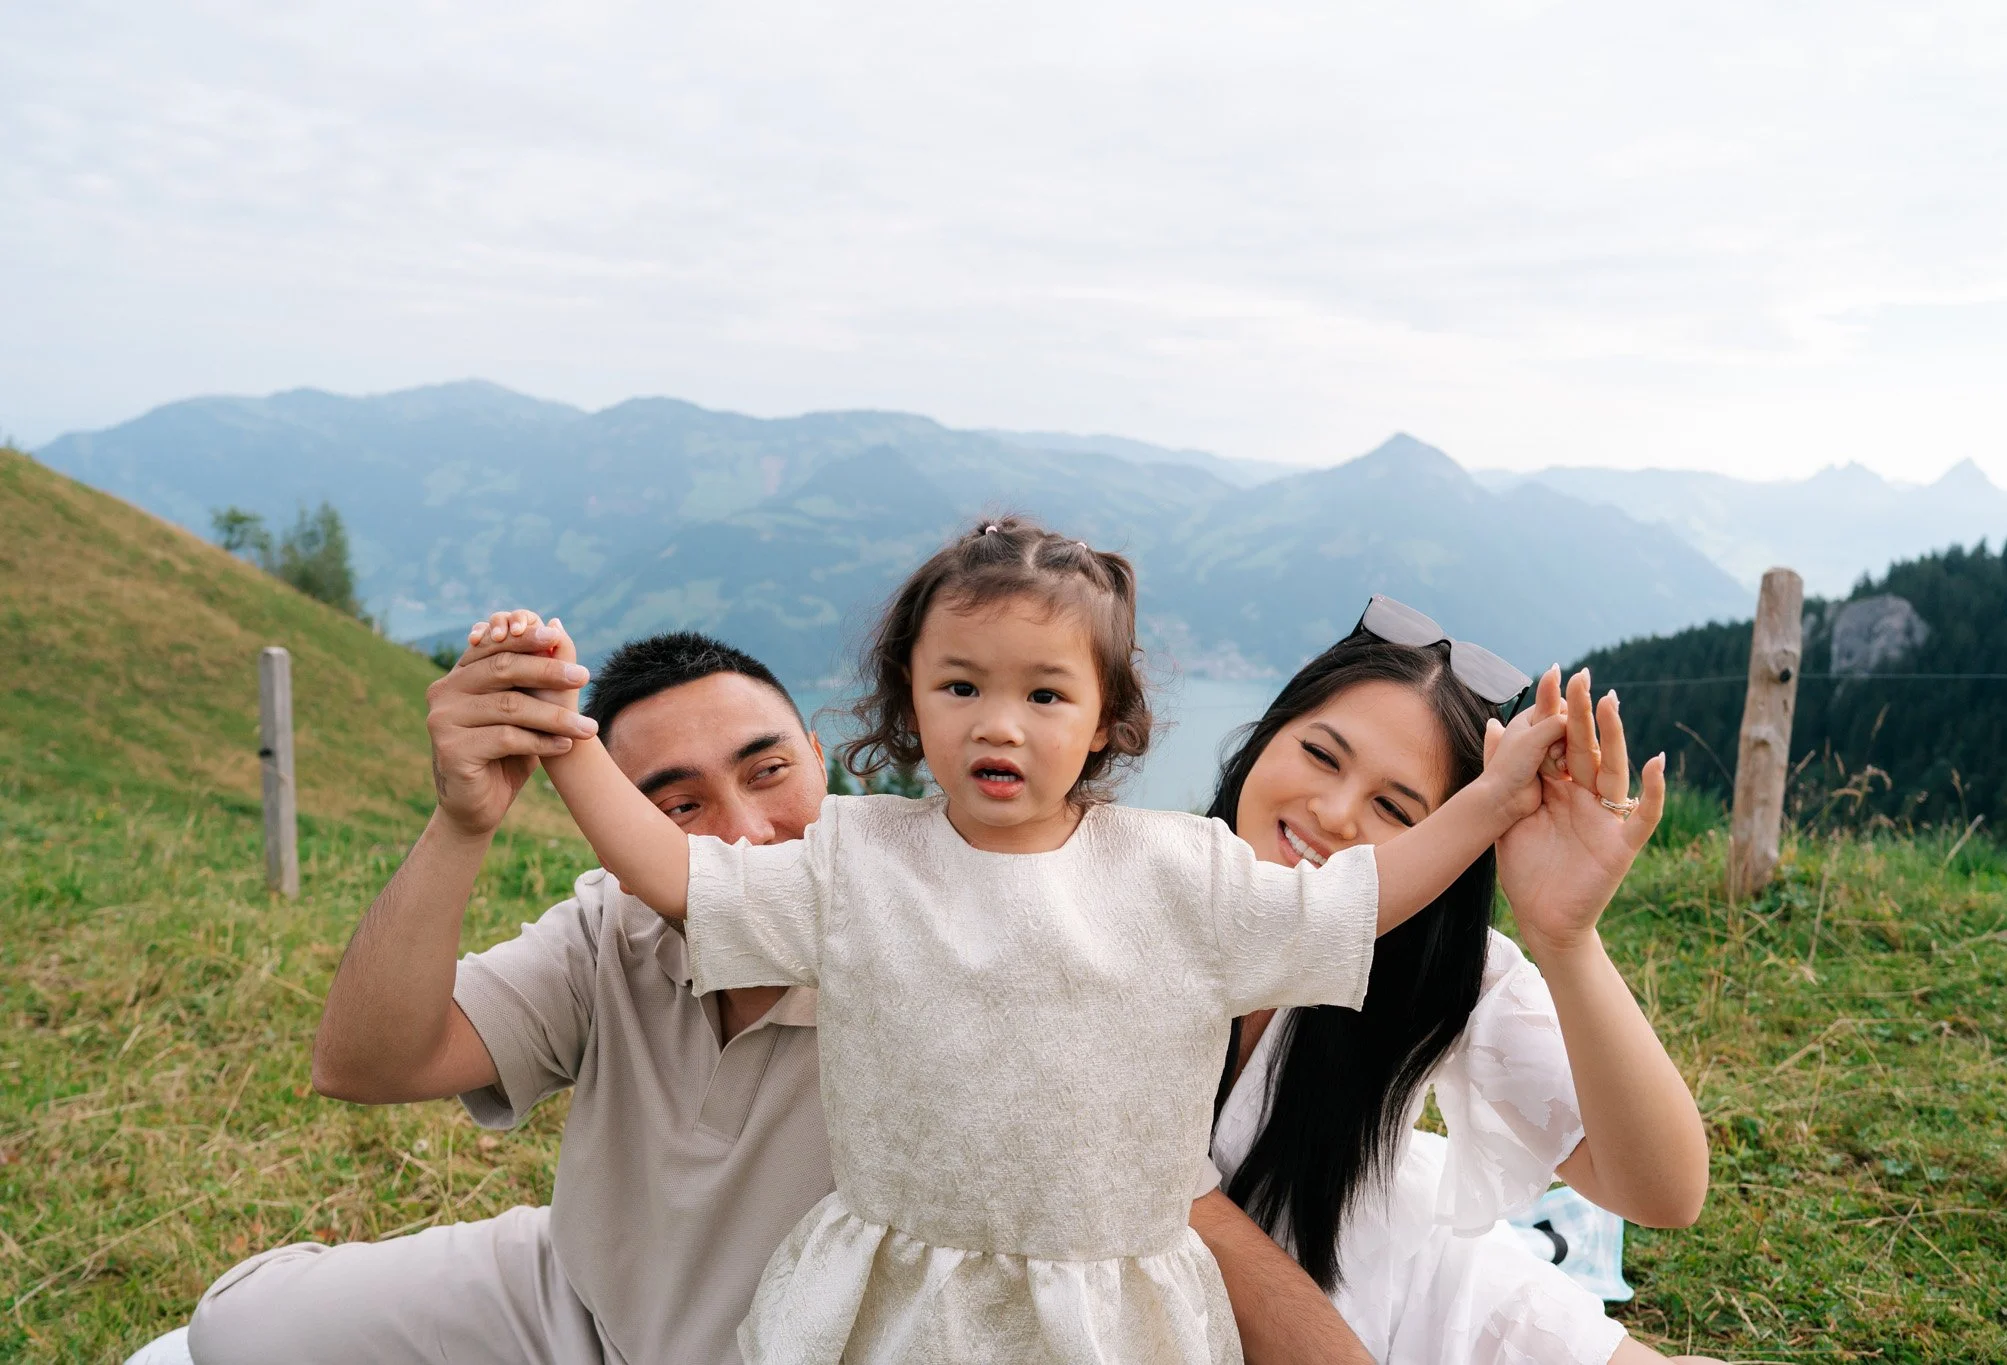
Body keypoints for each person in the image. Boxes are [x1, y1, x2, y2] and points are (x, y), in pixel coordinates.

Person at [495, 517, 1575, 1364]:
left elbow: (1353, 899)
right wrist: (566, 742)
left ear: (1105, 718)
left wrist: (1485, 806)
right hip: (892, 1294)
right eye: (959, 686)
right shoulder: (850, 862)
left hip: (1110, 1308)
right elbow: (680, 877)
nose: (997, 723)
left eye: (1044, 693)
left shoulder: (1178, 874)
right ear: (907, 704)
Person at [174, 621, 1378, 1365]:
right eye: (677, 803)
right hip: (573, 1290)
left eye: (769, 772)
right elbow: (367, 1062)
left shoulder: (972, 952)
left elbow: (1159, 1203)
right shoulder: (616, 926)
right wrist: (459, 822)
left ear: (831, 761)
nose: (744, 836)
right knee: (238, 1332)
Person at [1204, 603, 1720, 1365]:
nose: (1336, 813)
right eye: (1320, 753)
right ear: (1267, 735)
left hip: (1390, 1283)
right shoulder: (1135, 890)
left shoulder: (1431, 965)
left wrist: (1566, 940)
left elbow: (1664, 1192)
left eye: (1394, 806)